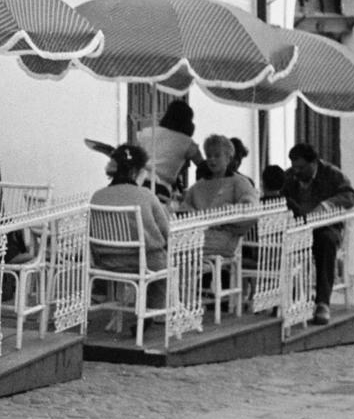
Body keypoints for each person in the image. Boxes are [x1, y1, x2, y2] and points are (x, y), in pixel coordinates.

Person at [281, 142, 354, 326]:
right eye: (294, 166)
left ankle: (322, 302)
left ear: (314, 163)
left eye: (301, 167)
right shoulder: (290, 176)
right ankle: (291, 297)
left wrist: (326, 205)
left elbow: (350, 195)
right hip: (299, 226)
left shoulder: (331, 174)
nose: (296, 171)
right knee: (281, 244)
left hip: (327, 227)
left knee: (326, 244)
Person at [89, 142, 172, 310]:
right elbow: (166, 233)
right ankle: (157, 311)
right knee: (166, 260)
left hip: (108, 263)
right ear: (136, 171)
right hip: (142, 263)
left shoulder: (97, 197)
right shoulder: (146, 195)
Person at [183, 134, 261, 258]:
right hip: (197, 237)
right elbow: (185, 210)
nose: (212, 160)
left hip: (225, 239)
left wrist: (227, 219)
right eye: (208, 155)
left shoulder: (239, 182)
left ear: (228, 158)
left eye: (217, 155)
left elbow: (250, 210)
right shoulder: (197, 186)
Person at [135, 100, 202, 201]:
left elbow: (135, 157)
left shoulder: (146, 132)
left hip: (138, 183)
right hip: (161, 189)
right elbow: (203, 166)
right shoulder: (187, 143)